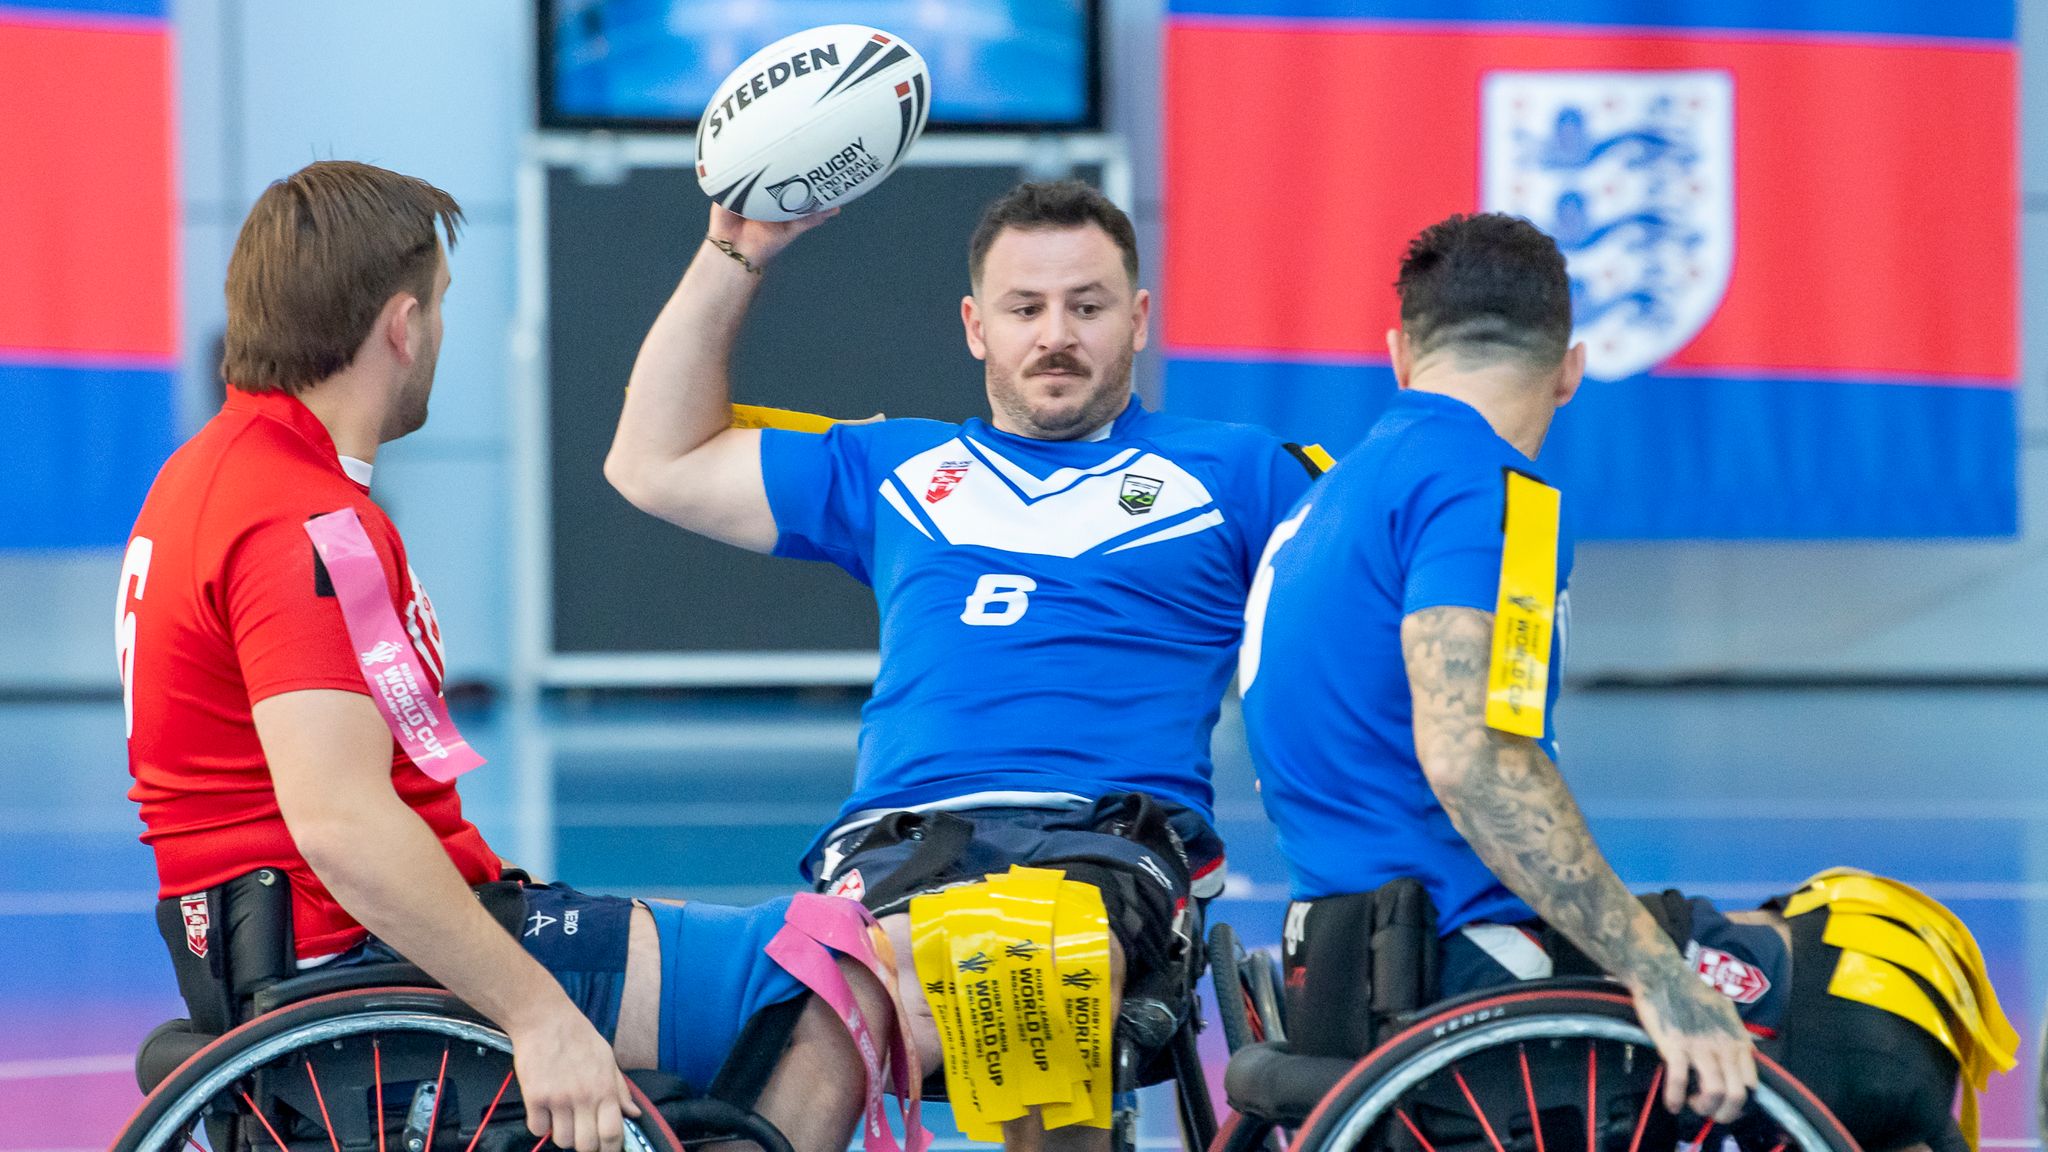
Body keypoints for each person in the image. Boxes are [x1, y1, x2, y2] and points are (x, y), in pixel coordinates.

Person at [118, 161, 890, 1152]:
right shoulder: (303, 525)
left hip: (279, 935)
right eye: (439, 308)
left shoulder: (204, 477)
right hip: (366, 951)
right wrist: (536, 1015)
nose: (440, 334)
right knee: (838, 978)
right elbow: (343, 826)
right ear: (401, 326)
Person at [604, 180, 1320, 1148]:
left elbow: (1353, 622)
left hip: (1107, 843)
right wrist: (731, 255)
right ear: (975, 326)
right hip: (899, 847)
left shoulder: (1242, 473)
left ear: (1139, 318)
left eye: (1087, 305)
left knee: (1020, 958)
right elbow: (652, 463)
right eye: (1025, 309)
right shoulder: (895, 466)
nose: (1054, 334)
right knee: (852, 972)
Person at [1236, 213, 1763, 1122]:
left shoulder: (1327, 498)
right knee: (1862, 981)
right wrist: (1657, 973)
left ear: (1400, 355)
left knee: (1752, 932)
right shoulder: (1491, 491)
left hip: (1336, 960)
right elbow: (1475, 763)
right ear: (1571, 369)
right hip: (1456, 975)